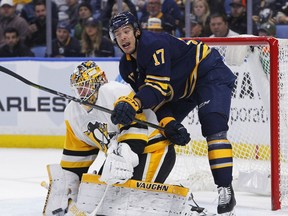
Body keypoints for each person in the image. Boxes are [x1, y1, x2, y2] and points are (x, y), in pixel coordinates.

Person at [109, 11, 237, 215]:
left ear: (137, 32)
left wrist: (133, 103)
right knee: (160, 133)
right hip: (181, 89)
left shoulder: (153, 44)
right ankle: (146, 187)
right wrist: (169, 122)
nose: (123, 37)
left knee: (214, 128)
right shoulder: (126, 67)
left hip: (207, 72)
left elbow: (157, 89)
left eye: (126, 31)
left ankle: (225, 189)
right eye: (118, 33)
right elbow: (157, 102)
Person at [42, 60, 177, 215]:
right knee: (98, 201)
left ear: (99, 81)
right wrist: (68, 187)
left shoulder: (115, 91)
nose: (81, 94)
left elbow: (137, 131)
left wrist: (123, 158)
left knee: (128, 206)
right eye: (78, 89)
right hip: (118, 160)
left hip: (154, 149)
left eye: (86, 87)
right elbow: (76, 159)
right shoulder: (73, 113)